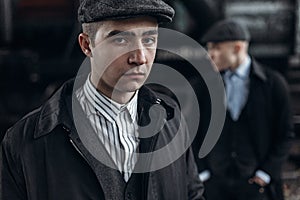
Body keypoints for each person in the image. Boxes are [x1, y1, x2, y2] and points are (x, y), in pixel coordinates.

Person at [0, 0, 205, 199]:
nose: (140, 57)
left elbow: (192, 194)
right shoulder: (24, 143)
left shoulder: (172, 122)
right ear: (87, 45)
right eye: (121, 40)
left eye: (149, 40)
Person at [197, 19, 294, 200]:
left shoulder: (273, 84)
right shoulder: (204, 85)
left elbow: (286, 134)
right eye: (209, 48)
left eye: (216, 48)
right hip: (215, 187)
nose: (210, 54)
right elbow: (192, 130)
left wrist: (266, 174)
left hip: (257, 188)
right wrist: (202, 173)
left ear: (237, 48)